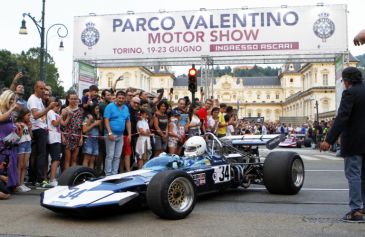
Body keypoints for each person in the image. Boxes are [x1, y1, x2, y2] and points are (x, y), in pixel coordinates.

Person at [320, 67, 365, 223]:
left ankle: (356, 211)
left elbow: (342, 118)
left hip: (354, 142)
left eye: (343, 81)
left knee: (354, 175)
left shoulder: (350, 94)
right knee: (363, 177)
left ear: (347, 81)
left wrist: (328, 140)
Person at [27, 81, 57, 186]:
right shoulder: (33, 99)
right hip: (37, 129)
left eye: (44, 89)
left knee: (37, 154)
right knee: (40, 154)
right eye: (41, 88)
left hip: (41, 128)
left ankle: (34, 178)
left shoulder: (39, 99)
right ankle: (39, 179)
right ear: (36, 88)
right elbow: (35, 115)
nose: (43, 91)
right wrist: (49, 108)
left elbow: (41, 115)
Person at [104, 91, 131, 176]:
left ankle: (114, 173)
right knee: (110, 155)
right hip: (111, 134)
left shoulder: (126, 108)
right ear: (116, 98)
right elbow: (106, 120)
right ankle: (108, 174)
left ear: (125, 99)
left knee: (117, 155)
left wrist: (129, 134)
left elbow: (128, 121)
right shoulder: (110, 106)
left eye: (123, 98)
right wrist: (109, 132)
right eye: (119, 98)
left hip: (121, 135)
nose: (121, 100)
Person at [0, 90, 22, 192]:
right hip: (2, 140)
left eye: (13, 100)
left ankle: (12, 184)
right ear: (5, 99)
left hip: (10, 140)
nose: (12, 101)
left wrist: (16, 125)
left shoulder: (10, 110)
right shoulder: (1, 109)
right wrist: (12, 108)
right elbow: (1, 118)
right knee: (4, 162)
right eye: (10, 99)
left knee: (12, 161)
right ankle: (4, 185)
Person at [61, 91, 83, 170]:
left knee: (74, 158)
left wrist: (81, 138)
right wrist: (62, 136)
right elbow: (61, 125)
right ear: (68, 99)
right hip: (67, 136)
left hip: (77, 136)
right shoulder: (64, 110)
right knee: (67, 159)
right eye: (72, 99)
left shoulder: (80, 110)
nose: (73, 100)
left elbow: (81, 125)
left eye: (75, 99)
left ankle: (73, 176)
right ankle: (66, 178)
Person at [46, 98, 63, 187]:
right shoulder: (51, 112)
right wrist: (61, 117)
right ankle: (52, 179)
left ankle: (51, 178)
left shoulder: (56, 114)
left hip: (57, 137)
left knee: (56, 158)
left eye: (59, 106)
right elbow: (55, 123)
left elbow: (62, 124)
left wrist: (66, 117)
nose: (58, 107)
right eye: (57, 105)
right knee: (55, 158)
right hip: (53, 138)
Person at [16, 108, 32, 192]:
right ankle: (18, 184)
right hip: (21, 144)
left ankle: (22, 183)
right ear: (23, 115)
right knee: (20, 165)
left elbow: (31, 136)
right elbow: (18, 136)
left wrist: (29, 128)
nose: (29, 117)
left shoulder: (27, 123)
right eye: (28, 115)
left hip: (28, 143)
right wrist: (21, 129)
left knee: (25, 165)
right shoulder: (18, 123)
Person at [82, 104, 101, 169]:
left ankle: (91, 175)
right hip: (88, 139)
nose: (98, 110)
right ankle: (84, 173)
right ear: (92, 109)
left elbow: (100, 130)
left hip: (95, 139)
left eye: (98, 109)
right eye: (96, 109)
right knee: (87, 157)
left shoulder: (98, 117)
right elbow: (84, 130)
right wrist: (94, 124)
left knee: (93, 158)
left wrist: (100, 122)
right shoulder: (88, 117)